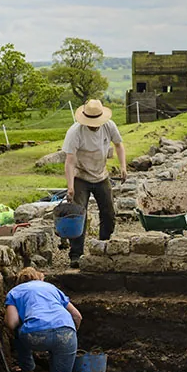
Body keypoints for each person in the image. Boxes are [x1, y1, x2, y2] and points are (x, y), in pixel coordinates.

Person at [4, 267, 85, 372]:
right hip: (66, 332)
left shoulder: (15, 292)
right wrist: (72, 336)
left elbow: (12, 323)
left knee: (18, 332)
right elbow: (77, 316)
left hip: (35, 334)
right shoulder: (51, 288)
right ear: (39, 277)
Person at [62, 99, 128, 267]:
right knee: (78, 216)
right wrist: (70, 186)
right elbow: (69, 161)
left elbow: (119, 145)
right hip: (80, 176)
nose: (94, 125)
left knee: (108, 213)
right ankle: (76, 255)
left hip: (101, 175)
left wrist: (123, 166)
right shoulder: (75, 132)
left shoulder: (109, 126)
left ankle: (103, 246)